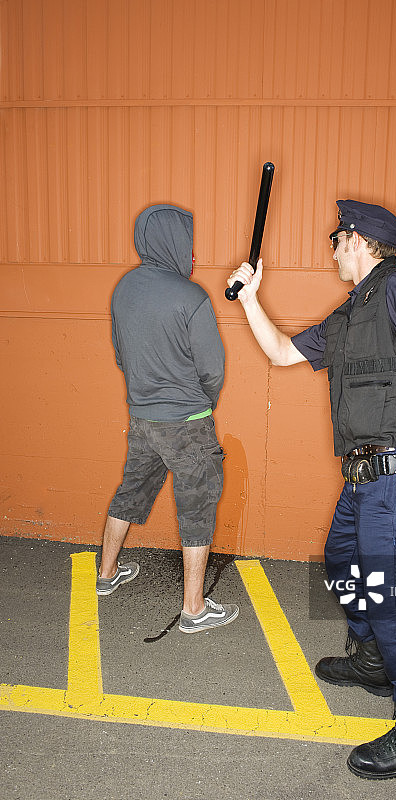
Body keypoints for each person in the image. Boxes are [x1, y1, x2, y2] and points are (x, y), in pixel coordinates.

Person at [227, 199, 396, 779]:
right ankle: (371, 660)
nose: (333, 248)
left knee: (393, 597)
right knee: (342, 560)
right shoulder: (349, 313)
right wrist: (253, 297)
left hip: (395, 470)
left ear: (361, 240)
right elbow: (283, 353)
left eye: (336, 239)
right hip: (362, 478)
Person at [97, 203, 239, 635]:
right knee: (197, 506)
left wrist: (147, 394)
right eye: (188, 240)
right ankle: (194, 609)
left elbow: (122, 356)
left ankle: (107, 574)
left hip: (142, 418)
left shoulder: (123, 290)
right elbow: (213, 367)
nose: (191, 251)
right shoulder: (190, 295)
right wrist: (202, 404)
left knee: (131, 490)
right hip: (187, 422)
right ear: (175, 241)